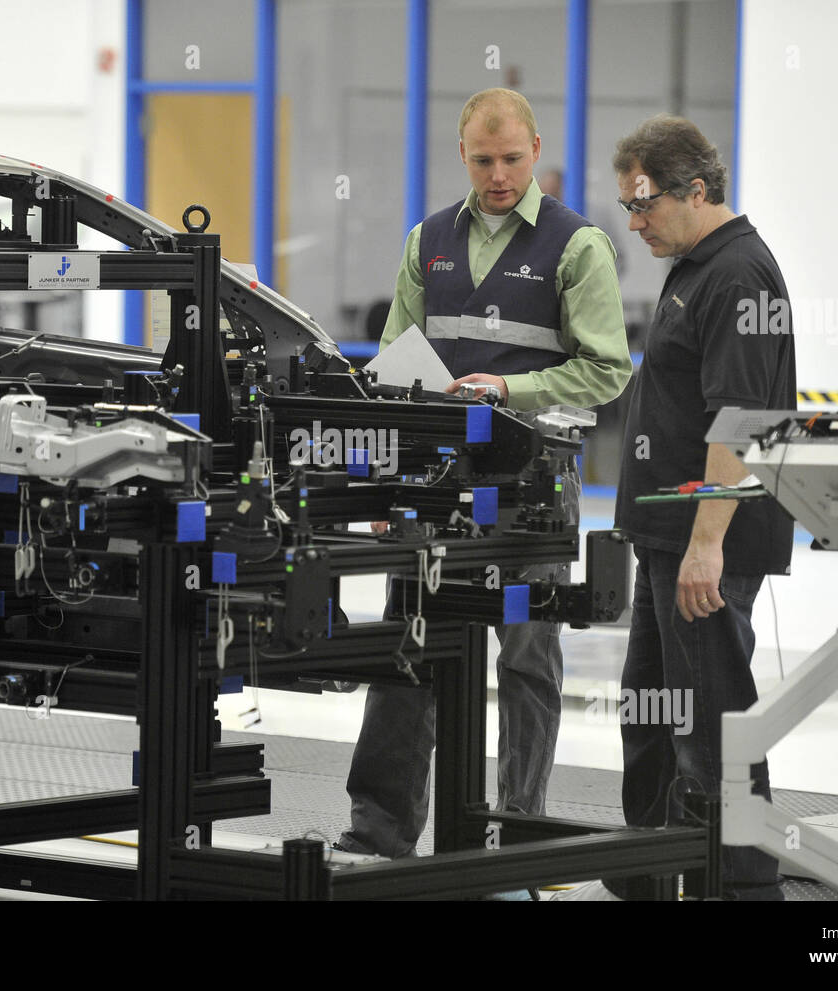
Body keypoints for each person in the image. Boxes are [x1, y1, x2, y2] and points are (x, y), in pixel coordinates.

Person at [335, 88, 632, 861]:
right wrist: (380, 481)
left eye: (510, 158)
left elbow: (607, 371)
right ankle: (380, 827)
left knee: (525, 657)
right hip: (434, 487)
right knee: (411, 647)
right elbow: (394, 366)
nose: (497, 175)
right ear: (461, 155)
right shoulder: (427, 241)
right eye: (481, 159)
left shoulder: (578, 247)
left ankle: (515, 828)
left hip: (530, 487)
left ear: (535, 149)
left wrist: (511, 389)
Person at [568, 115, 795, 900]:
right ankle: (643, 878)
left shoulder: (738, 275)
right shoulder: (696, 264)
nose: (632, 226)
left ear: (694, 191)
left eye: (643, 206)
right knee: (654, 716)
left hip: (707, 544)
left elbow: (738, 420)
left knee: (713, 727)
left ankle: (741, 887)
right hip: (668, 538)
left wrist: (707, 545)